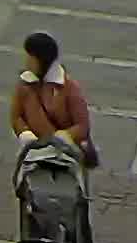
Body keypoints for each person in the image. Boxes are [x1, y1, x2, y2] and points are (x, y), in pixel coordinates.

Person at [8, 32, 96, 165]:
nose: (27, 61)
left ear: (41, 60)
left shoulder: (69, 88)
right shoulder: (24, 85)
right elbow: (16, 117)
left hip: (66, 155)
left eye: (30, 58)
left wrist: (60, 138)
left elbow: (82, 126)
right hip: (33, 153)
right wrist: (27, 136)